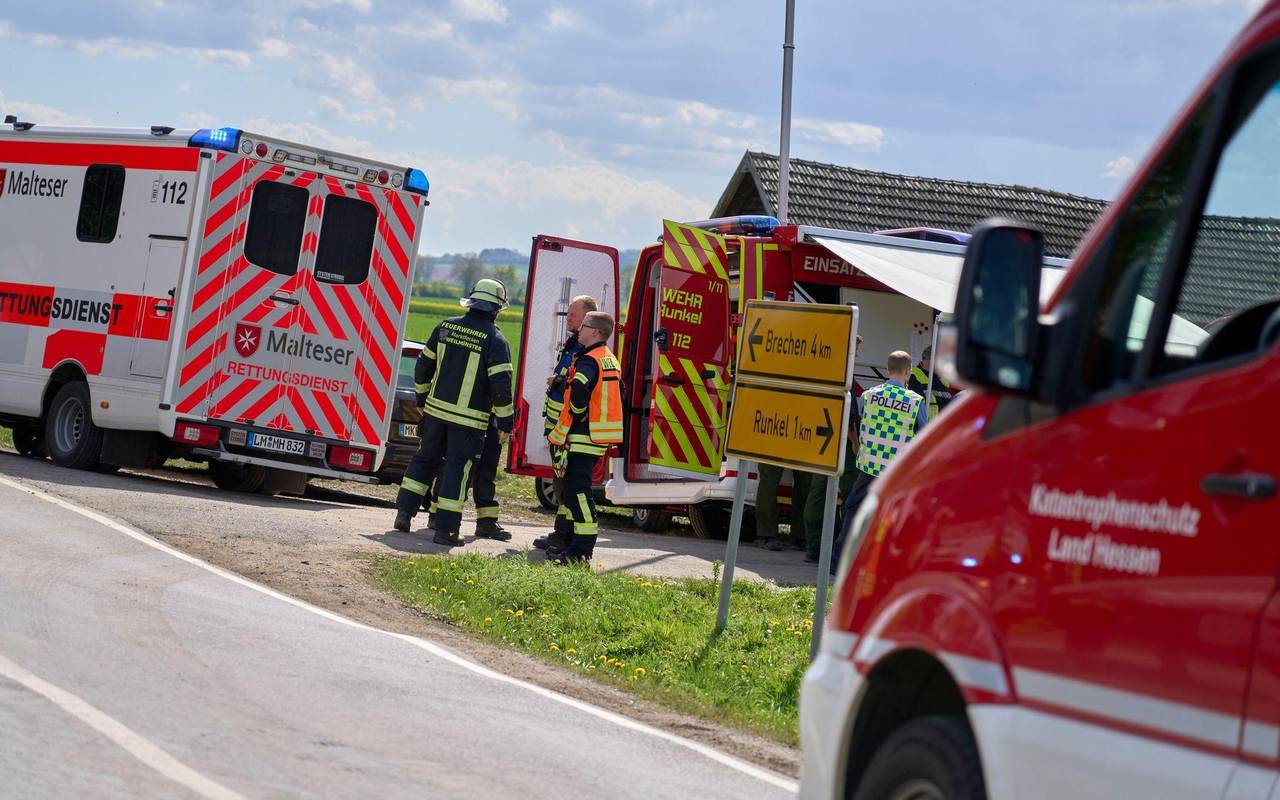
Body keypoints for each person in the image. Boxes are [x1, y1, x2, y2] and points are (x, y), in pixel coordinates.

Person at [393, 279, 515, 545]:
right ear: (496, 309)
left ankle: (404, 515)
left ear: (471, 302)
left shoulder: (445, 327)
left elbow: (423, 366)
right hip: (468, 421)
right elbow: (501, 387)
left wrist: (422, 399)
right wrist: (506, 422)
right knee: (456, 471)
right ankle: (446, 531)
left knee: (424, 460)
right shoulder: (496, 340)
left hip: (435, 413)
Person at [834, 350, 928, 565]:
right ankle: (886, 564)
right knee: (894, 518)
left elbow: (859, 424)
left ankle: (839, 561)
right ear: (909, 372)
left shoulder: (868, 395)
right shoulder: (915, 401)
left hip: (869, 466)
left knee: (854, 511)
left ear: (887, 370)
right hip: (896, 471)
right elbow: (923, 435)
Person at [544, 311, 623, 564]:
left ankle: (581, 552)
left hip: (584, 434)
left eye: (585, 326)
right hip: (596, 435)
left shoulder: (589, 359)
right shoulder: (608, 358)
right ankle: (572, 546)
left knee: (578, 491)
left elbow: (580, 387)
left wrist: (577, 413)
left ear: (595, 332)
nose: (580, 330)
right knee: (573, 489)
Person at [534, 295, 597, 551]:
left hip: (568, 431)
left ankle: (564, 538)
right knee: (562, 483)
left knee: (567, 485)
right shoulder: (573, 345)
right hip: (559, 429)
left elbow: (577, 393)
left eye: (572, 313)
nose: (567, 317)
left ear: (587, 319)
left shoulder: (584, 352)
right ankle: (561, 535)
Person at [803, 335, 864, 563]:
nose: (858, 352)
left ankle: (814, 545)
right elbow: (845, 414)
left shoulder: (831, 368)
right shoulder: (844, 372)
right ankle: (837, 546)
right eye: (857, 347)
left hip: (823, 442)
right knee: (850, 493)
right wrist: (854, 441)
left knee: (819, 492)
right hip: (840, 442)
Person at [907, 345, 954, 420]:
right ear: (932, 359)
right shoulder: (913, 376)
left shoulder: (942, 379)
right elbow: (912, 408)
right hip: (924, 429)